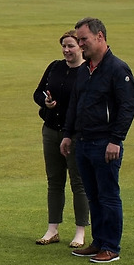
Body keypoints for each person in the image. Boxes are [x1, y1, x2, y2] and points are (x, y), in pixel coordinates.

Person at [61, 17, 134, 264]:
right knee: (93, 195)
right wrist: (67, 134)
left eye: (84, 39)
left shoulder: (118, 69)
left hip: (105, 144)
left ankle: (111, 247)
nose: (80, 44)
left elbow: (127, 108)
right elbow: (75, 104)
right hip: (83, 142)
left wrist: (116, 140)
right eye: (79, 39)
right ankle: (98, 242)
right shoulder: (85, 70)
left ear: (100, 36)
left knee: (108, 196)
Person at [31, 30, 89, 248]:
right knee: (54, 181)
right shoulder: (55, 67)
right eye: (64, 46)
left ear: (81, 47)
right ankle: (52, 229)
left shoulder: (87, 71)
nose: (66, 50)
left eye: (70, 46)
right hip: (50, 130)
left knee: (78, 182)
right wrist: (45, 102)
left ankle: (80, 231)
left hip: (74, 134)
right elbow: (38, 93)